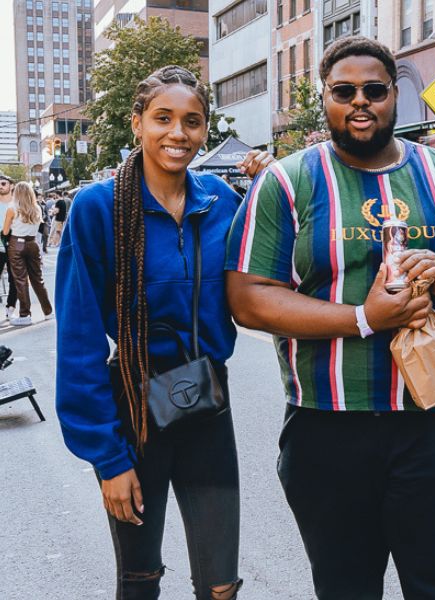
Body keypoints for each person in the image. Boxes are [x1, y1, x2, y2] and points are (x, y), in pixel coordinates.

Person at [224, 36, 435, 600]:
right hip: (327, 428)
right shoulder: (287, 182)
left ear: (395, 97)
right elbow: (248, 299)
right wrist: (363, 317)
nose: (359, 102)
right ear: (326, 99)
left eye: (374, 90)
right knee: (345, 588)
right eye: (344, 91)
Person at [55, 66, 252, 599]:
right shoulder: (98, 209)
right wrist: (109, 459)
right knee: (139, 581)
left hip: (208, 405)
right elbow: (78, 342)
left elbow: (272, 281)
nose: (177, 133)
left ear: (205, 129)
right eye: (162, 118)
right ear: (137, 122)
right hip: (135, 414)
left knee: (221, 584)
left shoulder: (223, 203)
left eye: (192, 121)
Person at [4, 181, 53, 326]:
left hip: (16, 244)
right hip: (33, 244)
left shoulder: (12, 208)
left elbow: (6, 231)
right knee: (38, 279)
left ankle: (25, 315)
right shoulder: (37, 208)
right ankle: (48, 312)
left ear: (16, 193)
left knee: (20, 280)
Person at [0, 175, 21, 320]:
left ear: (11, 186)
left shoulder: (17, 205)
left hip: (14, 244)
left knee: (15, 278)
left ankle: (10, 308)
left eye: (3, 183)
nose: (0, 186)